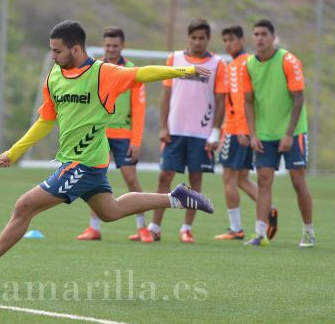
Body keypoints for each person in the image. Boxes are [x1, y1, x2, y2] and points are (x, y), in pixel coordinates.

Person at [0, 20, 214, 284]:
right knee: (109, 212)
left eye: (57, 51)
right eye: (52, 50)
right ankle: (176, 198)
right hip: (82, 161)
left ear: (76, 49)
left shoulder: (104, 74)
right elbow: (46, 120)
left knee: (25, 206)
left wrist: (185, 70)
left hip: (85, 163)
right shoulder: (54, 77)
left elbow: (142, 73)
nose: (53, 56)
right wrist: (15, 151)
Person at [148, 18, 227, 243]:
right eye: (194, 37)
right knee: (165, 176)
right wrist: (163, 126)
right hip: (175, 131)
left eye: (202, 38)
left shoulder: (218, 64)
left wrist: (215, 132)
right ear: (188, 38)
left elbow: (221, 101)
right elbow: (166, 95)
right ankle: (155, 227)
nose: (197, 42)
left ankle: (186, 228)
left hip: (201, 134)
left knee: (195, 179)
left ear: (208, 39)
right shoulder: (175, 59)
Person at [76, 26, 153, 243]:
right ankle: (94, 228)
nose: (111, 49)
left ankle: (142, 228)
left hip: (123, 134)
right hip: (98, 133)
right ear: (103, 45)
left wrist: (136, 141)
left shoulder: (131, 71)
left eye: (115, 45)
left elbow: (139, 109)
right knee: (93, 179)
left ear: (123, 46)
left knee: (131, 179)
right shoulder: (95, 69)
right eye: (108, 45)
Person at [242, 19, 314, 247]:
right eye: (256, 34)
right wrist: (252, 134)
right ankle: (260, 234)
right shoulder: (249, 65)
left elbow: (299, 98)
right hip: (265, 134)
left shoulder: (288, 61)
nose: (259, 38)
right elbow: (248, 102)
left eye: (264, 34)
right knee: (263, 181)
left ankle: (308, 231)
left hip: (293, 132)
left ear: (273, 37)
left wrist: (288, 134)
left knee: (297, 180)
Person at [214, 25, 279, 241]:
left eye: (231, 39)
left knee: (229, 178)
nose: (227, 44)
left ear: (241, 41)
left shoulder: (241, 65)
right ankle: (268, 209)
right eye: (224, 40)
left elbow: (244, 101)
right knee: (241, 179)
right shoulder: (237, 63)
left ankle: (236, 228)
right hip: (237, 128)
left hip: (237, 130)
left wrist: (243, 130)